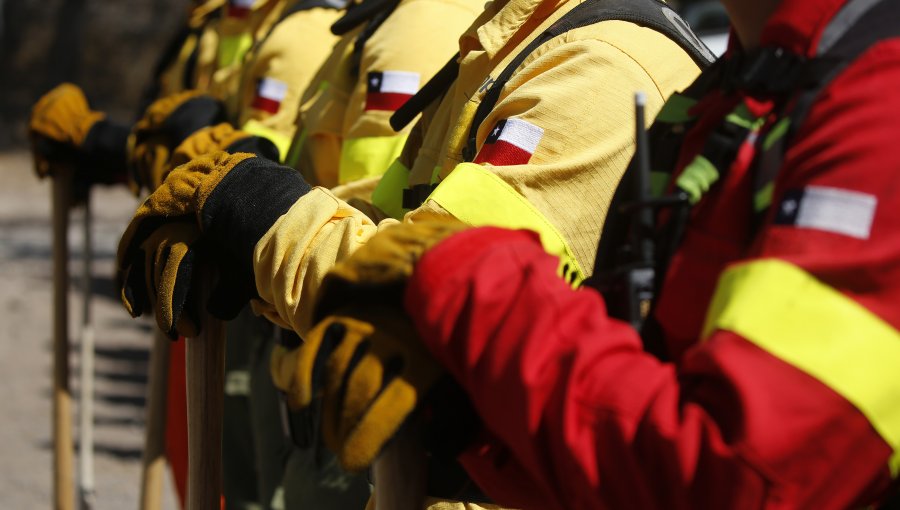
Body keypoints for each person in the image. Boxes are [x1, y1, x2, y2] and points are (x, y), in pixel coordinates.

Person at [288, 0, 900, 508]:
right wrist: (474, 416)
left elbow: (744, 482)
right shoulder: (748, 83)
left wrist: (459, 282)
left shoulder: (879, 98)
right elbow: (643, 407)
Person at [114, 0, 711, 506]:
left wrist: (259, 213)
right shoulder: (501, 40)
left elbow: (441, 295)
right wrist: (242, 222)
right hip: (385, 452)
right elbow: (385, 224)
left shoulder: (600, 67)